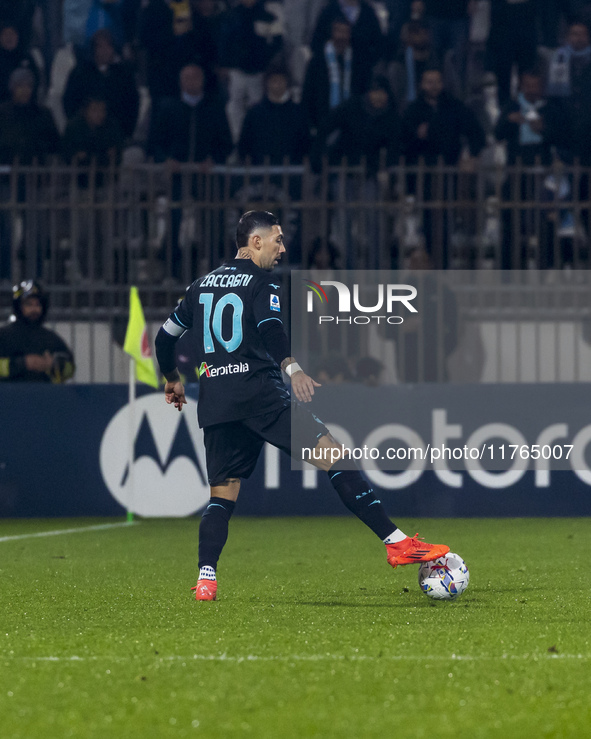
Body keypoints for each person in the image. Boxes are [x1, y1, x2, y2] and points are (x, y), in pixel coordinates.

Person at [155, 210, 449, 601]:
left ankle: (206, 579)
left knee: (221, 496)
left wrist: (172, 378)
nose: (283, 247)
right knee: (336, 456)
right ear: (255, 241)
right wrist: (291, 368)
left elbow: (164, 337)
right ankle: (395, 541)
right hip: (259, 394)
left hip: (216, 400)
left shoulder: (200, 286)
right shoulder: (262, 282)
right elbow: (270, 328)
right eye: (277, 239)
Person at [0, 280, 75, 383]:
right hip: (8, 396)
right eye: (28, 304)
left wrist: (56, 364)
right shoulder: (4, 336)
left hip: (44, 396)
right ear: (18, 307)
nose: (34, 309)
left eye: (38, 305)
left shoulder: (51, 338)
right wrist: (23, 363)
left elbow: (70, 369)